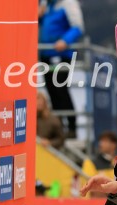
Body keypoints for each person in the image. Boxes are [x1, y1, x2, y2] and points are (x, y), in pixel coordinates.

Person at [39, 0, 84, 136]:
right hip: (46, 54)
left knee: (60, 88)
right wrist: (39, 17)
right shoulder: (46, 5)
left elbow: (78, 27)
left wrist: (65, 40)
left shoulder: (68, 3)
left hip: (61, 54)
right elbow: (44, 27)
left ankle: (71, 126)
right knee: (51, 89)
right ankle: (58, 126)